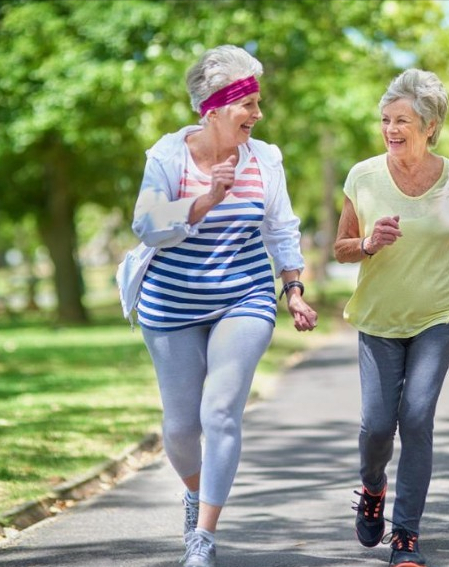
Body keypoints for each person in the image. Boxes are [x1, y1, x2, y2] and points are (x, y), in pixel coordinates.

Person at [119, 45, 317, 567]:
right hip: (171, 301)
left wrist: (292, 287)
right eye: (247, 103)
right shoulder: (166, 157)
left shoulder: (265, 158)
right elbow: (146, 224)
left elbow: (280, 228)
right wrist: (206, 199)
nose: (257, 114)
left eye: (258, 103)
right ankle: (194, 491)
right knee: (183, 427)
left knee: (220, 411)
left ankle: (202, 537)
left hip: (244, 295)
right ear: (213, 108)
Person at [333, 68, 449, 567]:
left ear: (430, 125)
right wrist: (366, 243)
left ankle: (405, 535)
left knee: (416, 417)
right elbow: (342, 248)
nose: (391, 128)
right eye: (385, 119)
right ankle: (372, 487)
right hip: (378, 318)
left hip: (436, 314)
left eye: (402, 119)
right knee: (376, 426)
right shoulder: (363, 177)